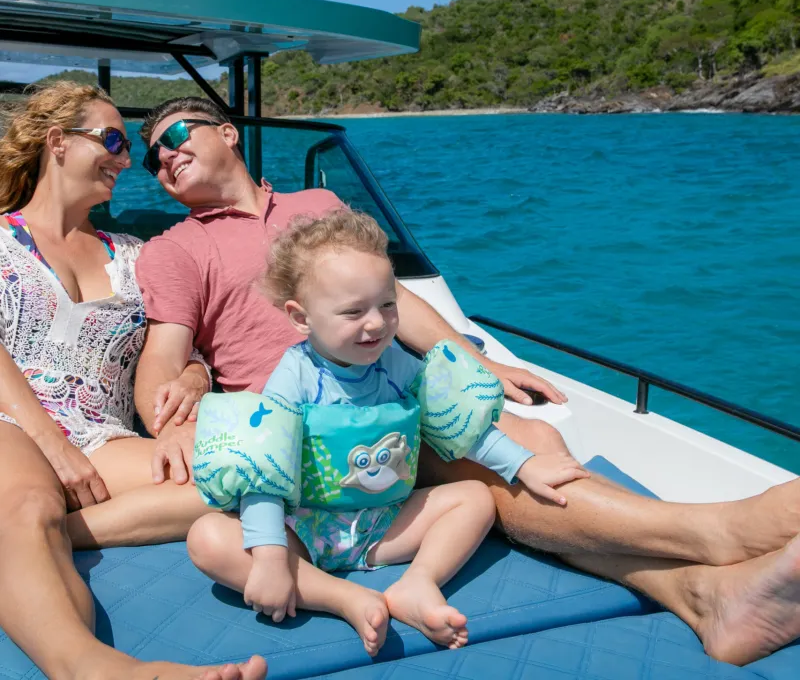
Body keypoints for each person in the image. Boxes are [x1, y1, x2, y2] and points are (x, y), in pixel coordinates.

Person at [135, 95, 800, 666]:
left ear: (228, 132)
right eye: (150, 156)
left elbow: (397, 299)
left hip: (393, 401)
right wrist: (175, 412)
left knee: (533, 439)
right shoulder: (174, 249)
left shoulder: (319, 205)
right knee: (509, 464)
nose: (163, 155)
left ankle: (703, 594)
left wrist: (481, 368)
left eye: (174, 135)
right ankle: (716, 536)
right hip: (313, 442)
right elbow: (162, 360)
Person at [187, 208, 589, 655]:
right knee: (208, 538)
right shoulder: (294, 377)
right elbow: (264, 470)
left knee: (475, 497)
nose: (377, 323)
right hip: (302, 528)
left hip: (385, 525)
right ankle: (342, 598)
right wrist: (268, 558)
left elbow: (458, 423)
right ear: (301, 318)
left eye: (387, 304)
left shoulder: (395, 363)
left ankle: (418, 583)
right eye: (353, 311)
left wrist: (524, 465)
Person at [0, 82, 267, 680]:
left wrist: (195, 378)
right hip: (11, 423)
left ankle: (55, 534)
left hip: (101, 436)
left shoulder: (134, 255)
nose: (125, 161)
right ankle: (97, 668)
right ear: (57, 142)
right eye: (114, 142)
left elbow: (182, 349)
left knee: (238, 480)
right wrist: (52, 447)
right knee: (28, 503)